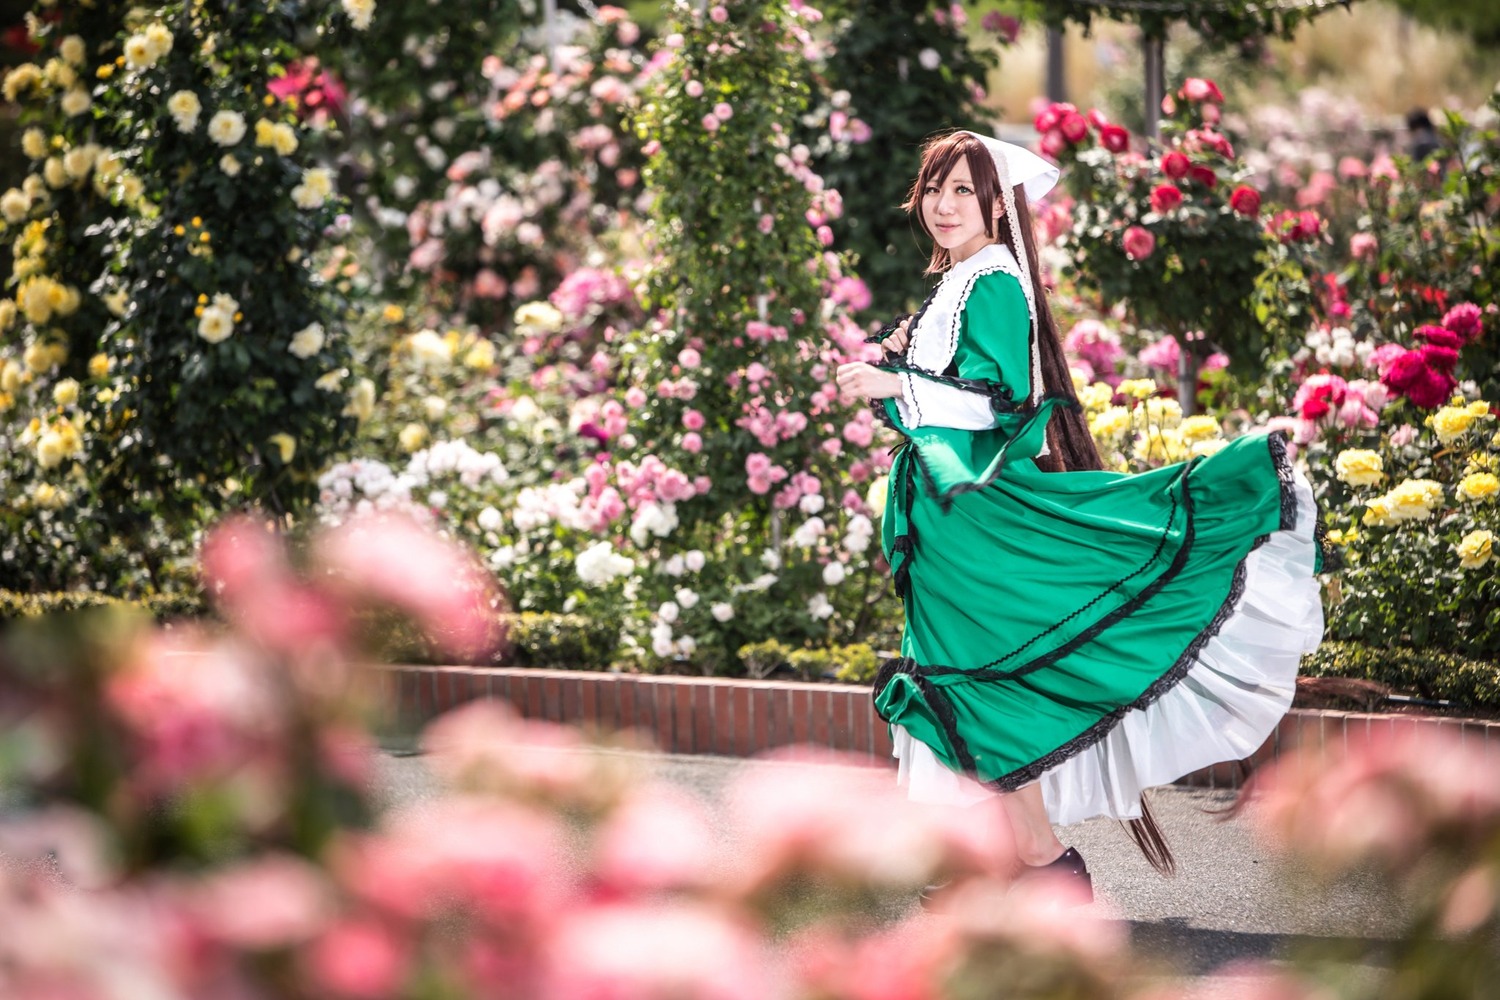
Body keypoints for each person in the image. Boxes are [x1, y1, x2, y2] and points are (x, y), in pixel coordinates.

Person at [834, 131, 1324, 897]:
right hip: (952, 520)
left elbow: (1002, 405)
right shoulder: (965, 279)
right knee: (972, 681)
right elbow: (961, 401)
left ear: (999, 204)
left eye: (965, 190)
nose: (945, 204)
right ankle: (1020, 858)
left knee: (972, 679)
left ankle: (1030, 861)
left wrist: (894, 385)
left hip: (975, 517)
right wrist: (902, 371)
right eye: (936, 188)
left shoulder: (990, 279)